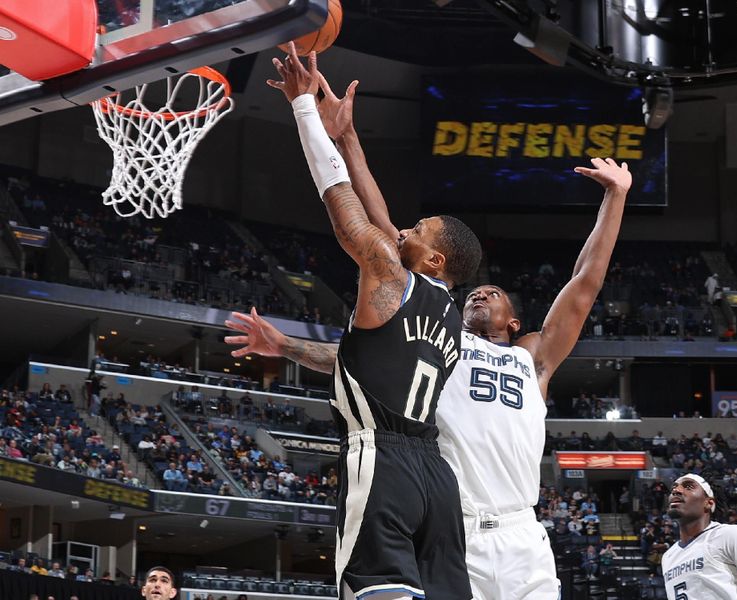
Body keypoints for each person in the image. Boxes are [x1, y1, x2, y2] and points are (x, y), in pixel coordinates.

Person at [227, 64, 631, 599]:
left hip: (520, 532)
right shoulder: (442, 336)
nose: (482, 293)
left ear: (515, 322)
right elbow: (383, 254)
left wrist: (616, 197)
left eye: (495, 295)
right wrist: (348, 140)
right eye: (476, 291)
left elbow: (585, 282)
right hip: (448, 516)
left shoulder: (535, 358)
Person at [227, 44, 481, 600]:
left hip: (382, 459)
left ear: (433, 259)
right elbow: (361, 364)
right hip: (436, 480)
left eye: (417, 229)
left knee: (375, 592)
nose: (404, 230)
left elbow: (344, 206)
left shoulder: (393, 276)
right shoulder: (450, 316)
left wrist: (302, 109)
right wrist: (288, 348)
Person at [662, 473, 737, 599]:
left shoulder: (728, 535)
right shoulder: (668, 557)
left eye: (688, 487)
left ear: (708, 503)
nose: (677, 490)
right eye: (674, 488)